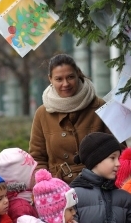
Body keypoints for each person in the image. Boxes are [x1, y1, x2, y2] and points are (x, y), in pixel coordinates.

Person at [28, 54, 112, 184]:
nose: (65, 84)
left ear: (78, 74)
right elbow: (37, 158)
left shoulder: (100, 106)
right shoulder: (42, 113)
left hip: (99, 184)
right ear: (50, 79)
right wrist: (46, 186)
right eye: (59, 79)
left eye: (70, 77)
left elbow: (118, 150)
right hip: (58, 190)